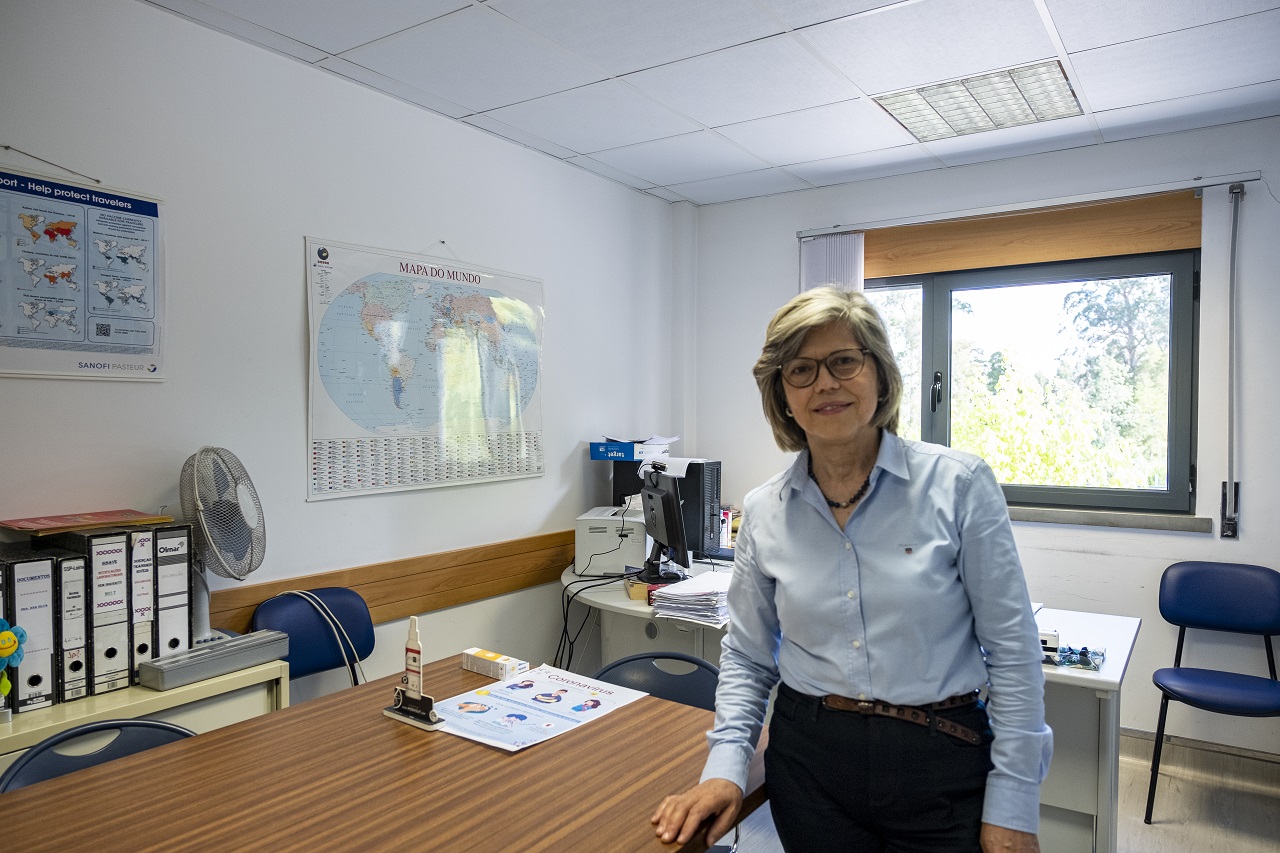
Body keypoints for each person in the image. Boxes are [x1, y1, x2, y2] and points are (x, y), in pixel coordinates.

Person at [652, 287, 1052, 853]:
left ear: (880, 376)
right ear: (782, 395)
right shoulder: (766, 510)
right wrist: (725, 767)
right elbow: (747, 653)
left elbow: (1013, 652)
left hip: (941, 760)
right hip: (810, 767)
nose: (825, 383)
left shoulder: (958, 486)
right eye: (801, 369)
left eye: (844, 361)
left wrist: (1014, 805)